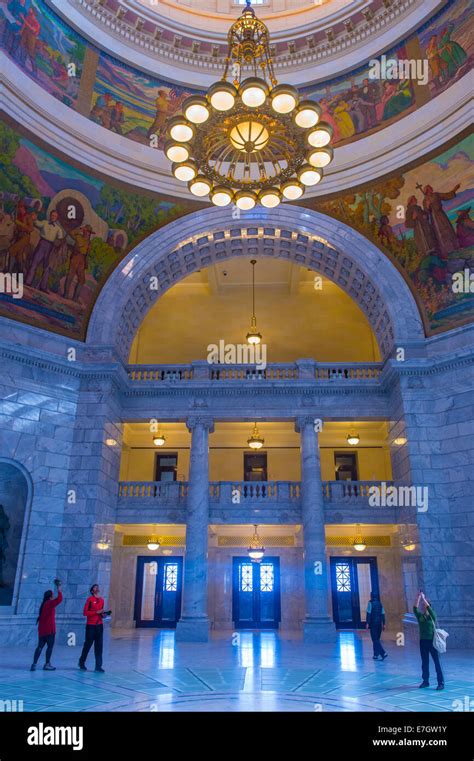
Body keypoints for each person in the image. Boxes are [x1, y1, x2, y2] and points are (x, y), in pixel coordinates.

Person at [25, 209, 65, 291]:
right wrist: (34, 218)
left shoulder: (58, 229)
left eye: (55, 216)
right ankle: (28, 282)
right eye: (52, 215)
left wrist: (58, 243)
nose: (53, 217)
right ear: (50, 216)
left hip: (50, 247)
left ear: (57, 218)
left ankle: (43, 287)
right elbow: (37, 223)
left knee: (47, 267)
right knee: (34, 263)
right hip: (42, 244)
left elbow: (60, 239)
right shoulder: (44, 222)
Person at [413, 591, 444, 690]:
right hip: (423, 641)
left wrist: (423, 598)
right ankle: (425, 681)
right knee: (424, 662)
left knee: (437, 662)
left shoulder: (432, 615)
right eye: (423, 606)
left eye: (425, 606)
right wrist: (418, 598)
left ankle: (441, 683)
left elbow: (430, 610)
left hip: (432, 642)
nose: (424, 607)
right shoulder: (421, 617)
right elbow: (414, 608)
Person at [30, 579, 62, 671]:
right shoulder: (49, 603)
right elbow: (59, 599)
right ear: (50, 597)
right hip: (50, 630)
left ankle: (34, 664)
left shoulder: (44, 604)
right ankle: (47, 664)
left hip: (42, 630)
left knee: (40, 647)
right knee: (50, 647)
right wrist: (59, 588)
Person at [78, 583, 109, 673]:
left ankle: (98, 666)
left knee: (99, 646)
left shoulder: (102, 600)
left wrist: (103, 614)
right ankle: (81, 662)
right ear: (92, 591)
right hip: (91, 625)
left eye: (97, 587)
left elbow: (101, 612)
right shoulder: (90, 600)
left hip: (99, 625)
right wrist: (96, 612)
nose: (97, 588)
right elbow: (85, 612)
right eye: (95, 587)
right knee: (88, 645)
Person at [62, 224, 95, 302]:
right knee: (70, 275)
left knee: (81, 280)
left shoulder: (89, 242)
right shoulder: (79, 237)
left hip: (82, 260)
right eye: (86, 231)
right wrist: (80, 229)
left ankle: (75, 298)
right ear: (84, 231)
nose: (88, 233)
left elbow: (87, 253)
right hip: (75, 257)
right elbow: (71, 233)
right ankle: (65, 294)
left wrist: (86, 262)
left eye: (89, 232)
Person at [366, 592, 388, 660]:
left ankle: (383, 653)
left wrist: (367, 623)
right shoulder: (380, 603)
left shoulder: (370, 603)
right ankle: (375, 654)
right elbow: (383, 614)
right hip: (379, 624)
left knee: (375, 640)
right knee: (376, 639)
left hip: (373, 624)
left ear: (371, 596)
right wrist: (384, 624)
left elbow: (368, 614)